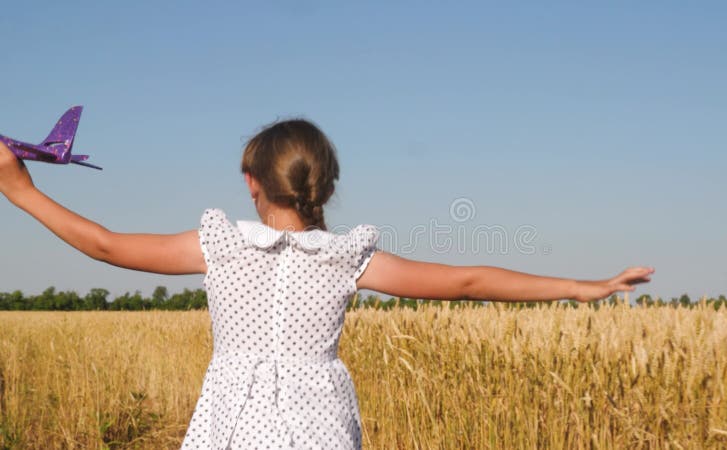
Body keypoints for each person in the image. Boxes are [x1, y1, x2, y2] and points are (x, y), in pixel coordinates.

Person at [0, 118, 654, 450]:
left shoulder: (219, 245)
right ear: (328, 186)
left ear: (251, 183)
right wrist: (582, 286)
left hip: (234, 430)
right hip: (319, 430)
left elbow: (105, 245)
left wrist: (20, 190)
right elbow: (469, 279)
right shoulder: (346, 259)